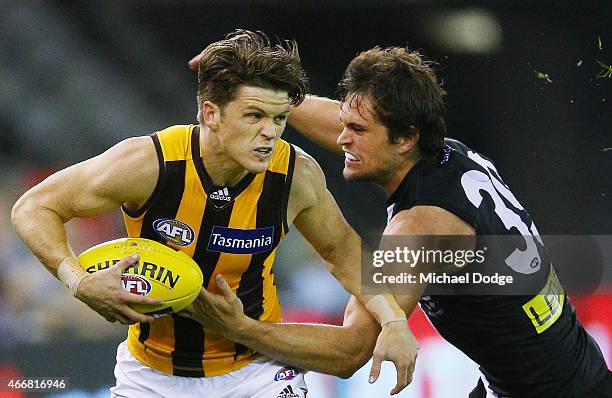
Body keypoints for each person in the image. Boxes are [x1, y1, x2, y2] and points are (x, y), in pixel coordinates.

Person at [186, 46, 612, 397]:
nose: (342, 139)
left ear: (406, 137)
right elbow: (341, 119)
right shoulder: (449, 154)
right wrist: (266, 95)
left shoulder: (418, 231)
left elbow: (350, 350)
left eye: (357, 129)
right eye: (345, 123)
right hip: (562, 374)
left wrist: (238, 327)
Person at [10, 31, 417, 398]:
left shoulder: (294, 175)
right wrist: (77, 280)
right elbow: (34, 206)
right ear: (211, 114)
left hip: (256, 373)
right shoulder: (151, 163)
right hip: (151, 376)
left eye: (278, 119)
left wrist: (393, 319)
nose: (270, 133)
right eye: (254, 116)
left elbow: (342, 251)